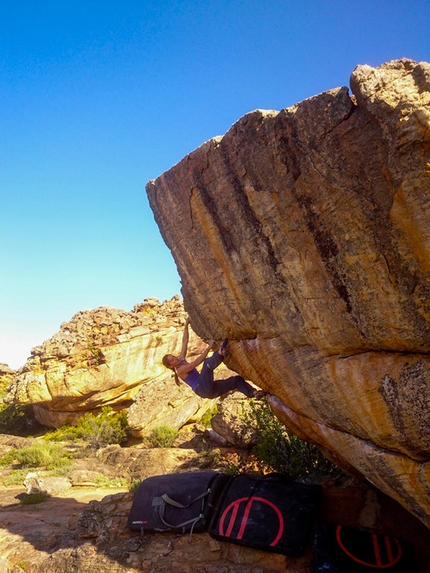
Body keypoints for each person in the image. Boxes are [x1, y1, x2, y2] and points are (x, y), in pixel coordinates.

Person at [162, 318, 266, 400]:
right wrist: (208, 348)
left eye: (173, 356)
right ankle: (220, 353)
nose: (175, 358)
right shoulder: (180, 371)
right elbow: (195, 363)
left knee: (236, 381)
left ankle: (254, 393)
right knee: (207, 365)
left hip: (209, 389)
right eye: (172, 360)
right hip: (202, 388)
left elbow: (184, 342)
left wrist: (186, 325)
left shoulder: (181, 359)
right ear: (171, 366)